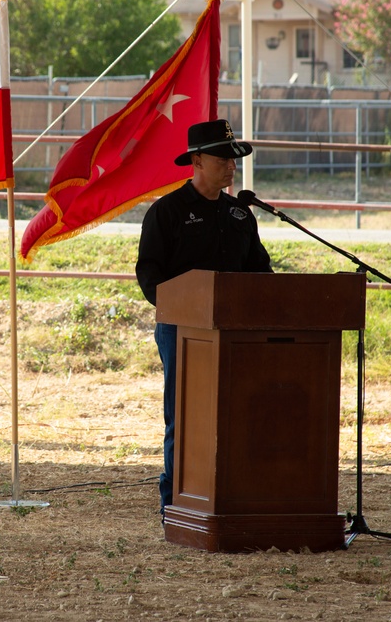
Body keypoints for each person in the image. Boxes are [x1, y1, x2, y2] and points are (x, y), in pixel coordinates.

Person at [135, 118, 272, 516]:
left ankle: (230, 495)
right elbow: (150, 275)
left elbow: (260, 273)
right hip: (183, 331)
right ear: (196, 160)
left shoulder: (241, 215)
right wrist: (182, 309)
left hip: (236, 332)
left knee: (238, 413)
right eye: (222, 158)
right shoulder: (167, 212)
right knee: (184, 415)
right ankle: (175, 500)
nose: (231, 166)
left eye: (234, 159)